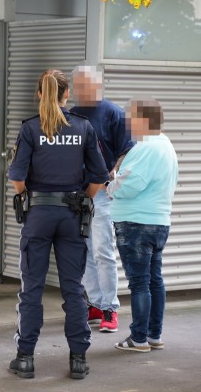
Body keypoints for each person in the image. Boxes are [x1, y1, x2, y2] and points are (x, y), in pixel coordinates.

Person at [7, 69, 108, 379]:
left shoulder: (30, 129)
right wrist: (83, 199)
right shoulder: (83, 127)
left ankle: (25, 359)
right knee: (73, 291)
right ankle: (78, 360)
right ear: (67, 96)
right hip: (72, 215)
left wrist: (33, 198)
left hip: (38, 215)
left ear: (40, 94)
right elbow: (100, 177)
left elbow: (17, 179)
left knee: (32, 289)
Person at [106, 97, 178, 353]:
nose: (127, 122)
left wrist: (110, 184)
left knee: (139, 283)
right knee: (154, 281)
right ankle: (153, 334)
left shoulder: (145, 147)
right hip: (159, 221)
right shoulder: (166, 144)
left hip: (136, 224)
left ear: (144, 120)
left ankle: (138, 339)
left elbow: (128, 185)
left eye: (131, 117)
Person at [70, 64, 134, 333]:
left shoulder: (113, 113)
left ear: (98, 85)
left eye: (85, 85)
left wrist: (111, 172)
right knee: (83, 252)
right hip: (77, 193)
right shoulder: (71, 113)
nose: (80, 90)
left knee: (103, 251)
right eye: (77, 85)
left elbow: (127, 149)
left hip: (102, 195)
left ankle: (110, 307)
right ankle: (94, 303)